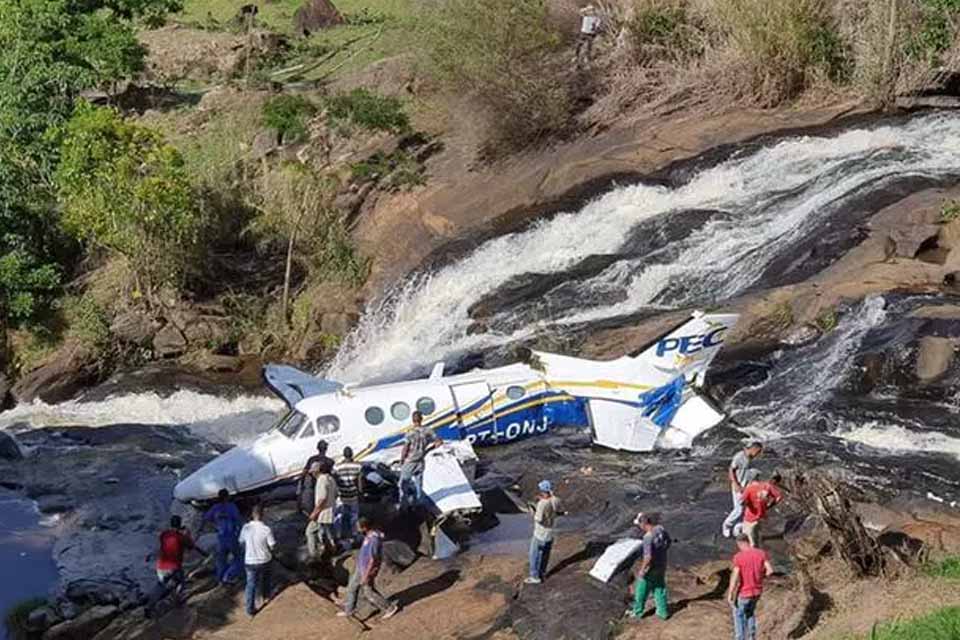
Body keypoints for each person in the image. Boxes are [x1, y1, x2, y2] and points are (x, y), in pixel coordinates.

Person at [337, 518, 399, 620]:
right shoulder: (369, 535)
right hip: (361, 567)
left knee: (369, 592)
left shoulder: (374, 540)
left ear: (365, 527)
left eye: (358, 527)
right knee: (352, 587)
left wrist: (367, 575)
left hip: (367, 569)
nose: (357, 529)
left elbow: (373, 559)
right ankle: (349, 610)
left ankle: (389, 608)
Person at [145, 515, 207, 618]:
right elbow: (191, 546)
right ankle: (177, 601)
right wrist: (187, 534)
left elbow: (164, 545)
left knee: (160, 586)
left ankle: (150, 605)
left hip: (161, 566)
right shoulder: (181, 537)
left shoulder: (164, 534)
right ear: (179, 524)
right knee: (180, 582)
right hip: (174, 566)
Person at [726, 533, 774, 640]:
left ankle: (740, 638)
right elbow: (770, 571)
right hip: (757, 591)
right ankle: (752, 636)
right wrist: (761, 577)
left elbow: (735, 577)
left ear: (739, 543)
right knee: (750, 613)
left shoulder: (738, 557)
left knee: (738, 615)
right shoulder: (761, 553)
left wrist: (730, 593)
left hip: (744, 592)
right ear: (748, 541)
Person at [628, 513, 672, 620]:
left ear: (643, 524)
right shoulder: (660, 529)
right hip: (662, 564)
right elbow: (668, 542)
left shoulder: (647, 537)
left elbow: (648, 557)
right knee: (659, 587)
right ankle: (663, 612)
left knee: (641, 590)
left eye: (639, 524)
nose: (639, 527)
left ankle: (637, 612)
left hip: (651, 568)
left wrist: (642, 570)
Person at [239, 503, 276, 617]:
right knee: (266, 579)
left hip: (250, 561)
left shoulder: (245, 528)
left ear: (252, 515)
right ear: (262, 515)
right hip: (264, 559)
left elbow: (241, 542)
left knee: (251, 585)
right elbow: (272, 545)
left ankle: (250, 610)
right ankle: (266, 596)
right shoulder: (266, 529)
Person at [397, 411, 439, 508]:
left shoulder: (410, 433)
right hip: (420, 461)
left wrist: (402, 460)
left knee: (403, 484)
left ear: (413, 420)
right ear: (421, 419)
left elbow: (405, 448)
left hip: (410, 462)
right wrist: (428, 450)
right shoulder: (428, 430)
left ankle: (404, 506)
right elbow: (439, 442)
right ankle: (419, 505)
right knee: (418, 485)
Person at [722, 442, 764, 538]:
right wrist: (736, 484)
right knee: (739, 510)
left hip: (747, 487)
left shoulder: (750, 458)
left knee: (748, 510)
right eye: (757, 452)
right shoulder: (739, 457)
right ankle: (726, 525)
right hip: (739, 487)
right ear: (753, 449)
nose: (758, 454)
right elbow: (731, 470)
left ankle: (738, 528)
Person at [202, 489, 243, 584]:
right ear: (227, 497)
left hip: (221, 537)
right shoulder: (232, 507)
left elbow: (206, 517)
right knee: (238, 558)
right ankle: (229, 575)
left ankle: (220, 578)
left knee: (221, 559)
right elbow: (238, 521)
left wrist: (215, 524)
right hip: (231, 536)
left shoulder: (215, 508)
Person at [525, 480, 561, 585]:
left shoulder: (541, 504)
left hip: (540, 533)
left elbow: (538, 519)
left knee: (534, 555)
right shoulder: (556, 500)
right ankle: (542, 573)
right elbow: (554, 506)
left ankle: (534, 577)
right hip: (550, 533)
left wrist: (533, 511)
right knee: (545, 554)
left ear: (542, 490)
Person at [740, 472, 783, 548]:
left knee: (748, 540)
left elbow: (742, 502)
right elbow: (779, 497)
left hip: (750, 517)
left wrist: (749, 504)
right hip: (761, 515)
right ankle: (758, 548)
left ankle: (753, 556)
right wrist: (769, 506)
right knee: (757, 535)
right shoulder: (767, 486)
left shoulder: (749, 488)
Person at [306, 459, 338, 559]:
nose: (312, 474)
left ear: (317, 471)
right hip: (330, 511)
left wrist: (314, 513)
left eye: (313, 472)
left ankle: (314, 555)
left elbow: (322, 499)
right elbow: (336, 494)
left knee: (310, 532)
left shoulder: (321, 480)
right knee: (327, 534)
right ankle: (331, 551)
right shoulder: (331, 479)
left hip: (322, 513)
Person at [334, 447, 364, 545]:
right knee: (354, 516)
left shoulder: (337, 467)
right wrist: (361, 493)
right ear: (352, 454)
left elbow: (336, 481)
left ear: (344, 455)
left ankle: (338, 535)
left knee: (340, 515)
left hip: (342, 495)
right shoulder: (358, 466)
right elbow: (359, 483)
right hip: (353, 494)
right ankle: (354, 534)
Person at [298, 439, 333, 516]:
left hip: (313, 485)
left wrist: (301, 485)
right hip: (323, 486)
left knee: (313, 503)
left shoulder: (312, 459)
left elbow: (304, 472)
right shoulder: (330, 461)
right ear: (326, 449)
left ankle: (313, 515)